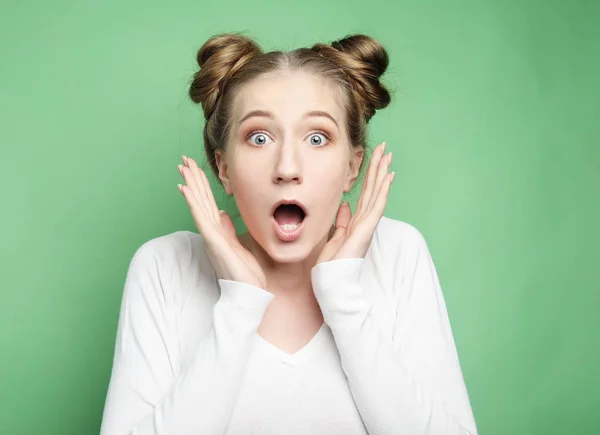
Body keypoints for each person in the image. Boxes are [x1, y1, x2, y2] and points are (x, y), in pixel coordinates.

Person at [99, 32, 478, 435]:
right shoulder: (164, 268)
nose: (287, 167)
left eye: (317, 138)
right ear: (223, 168)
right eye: (259, 137)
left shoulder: (398, 254)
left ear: (353, 166)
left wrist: (342, 297)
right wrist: (239, 304)